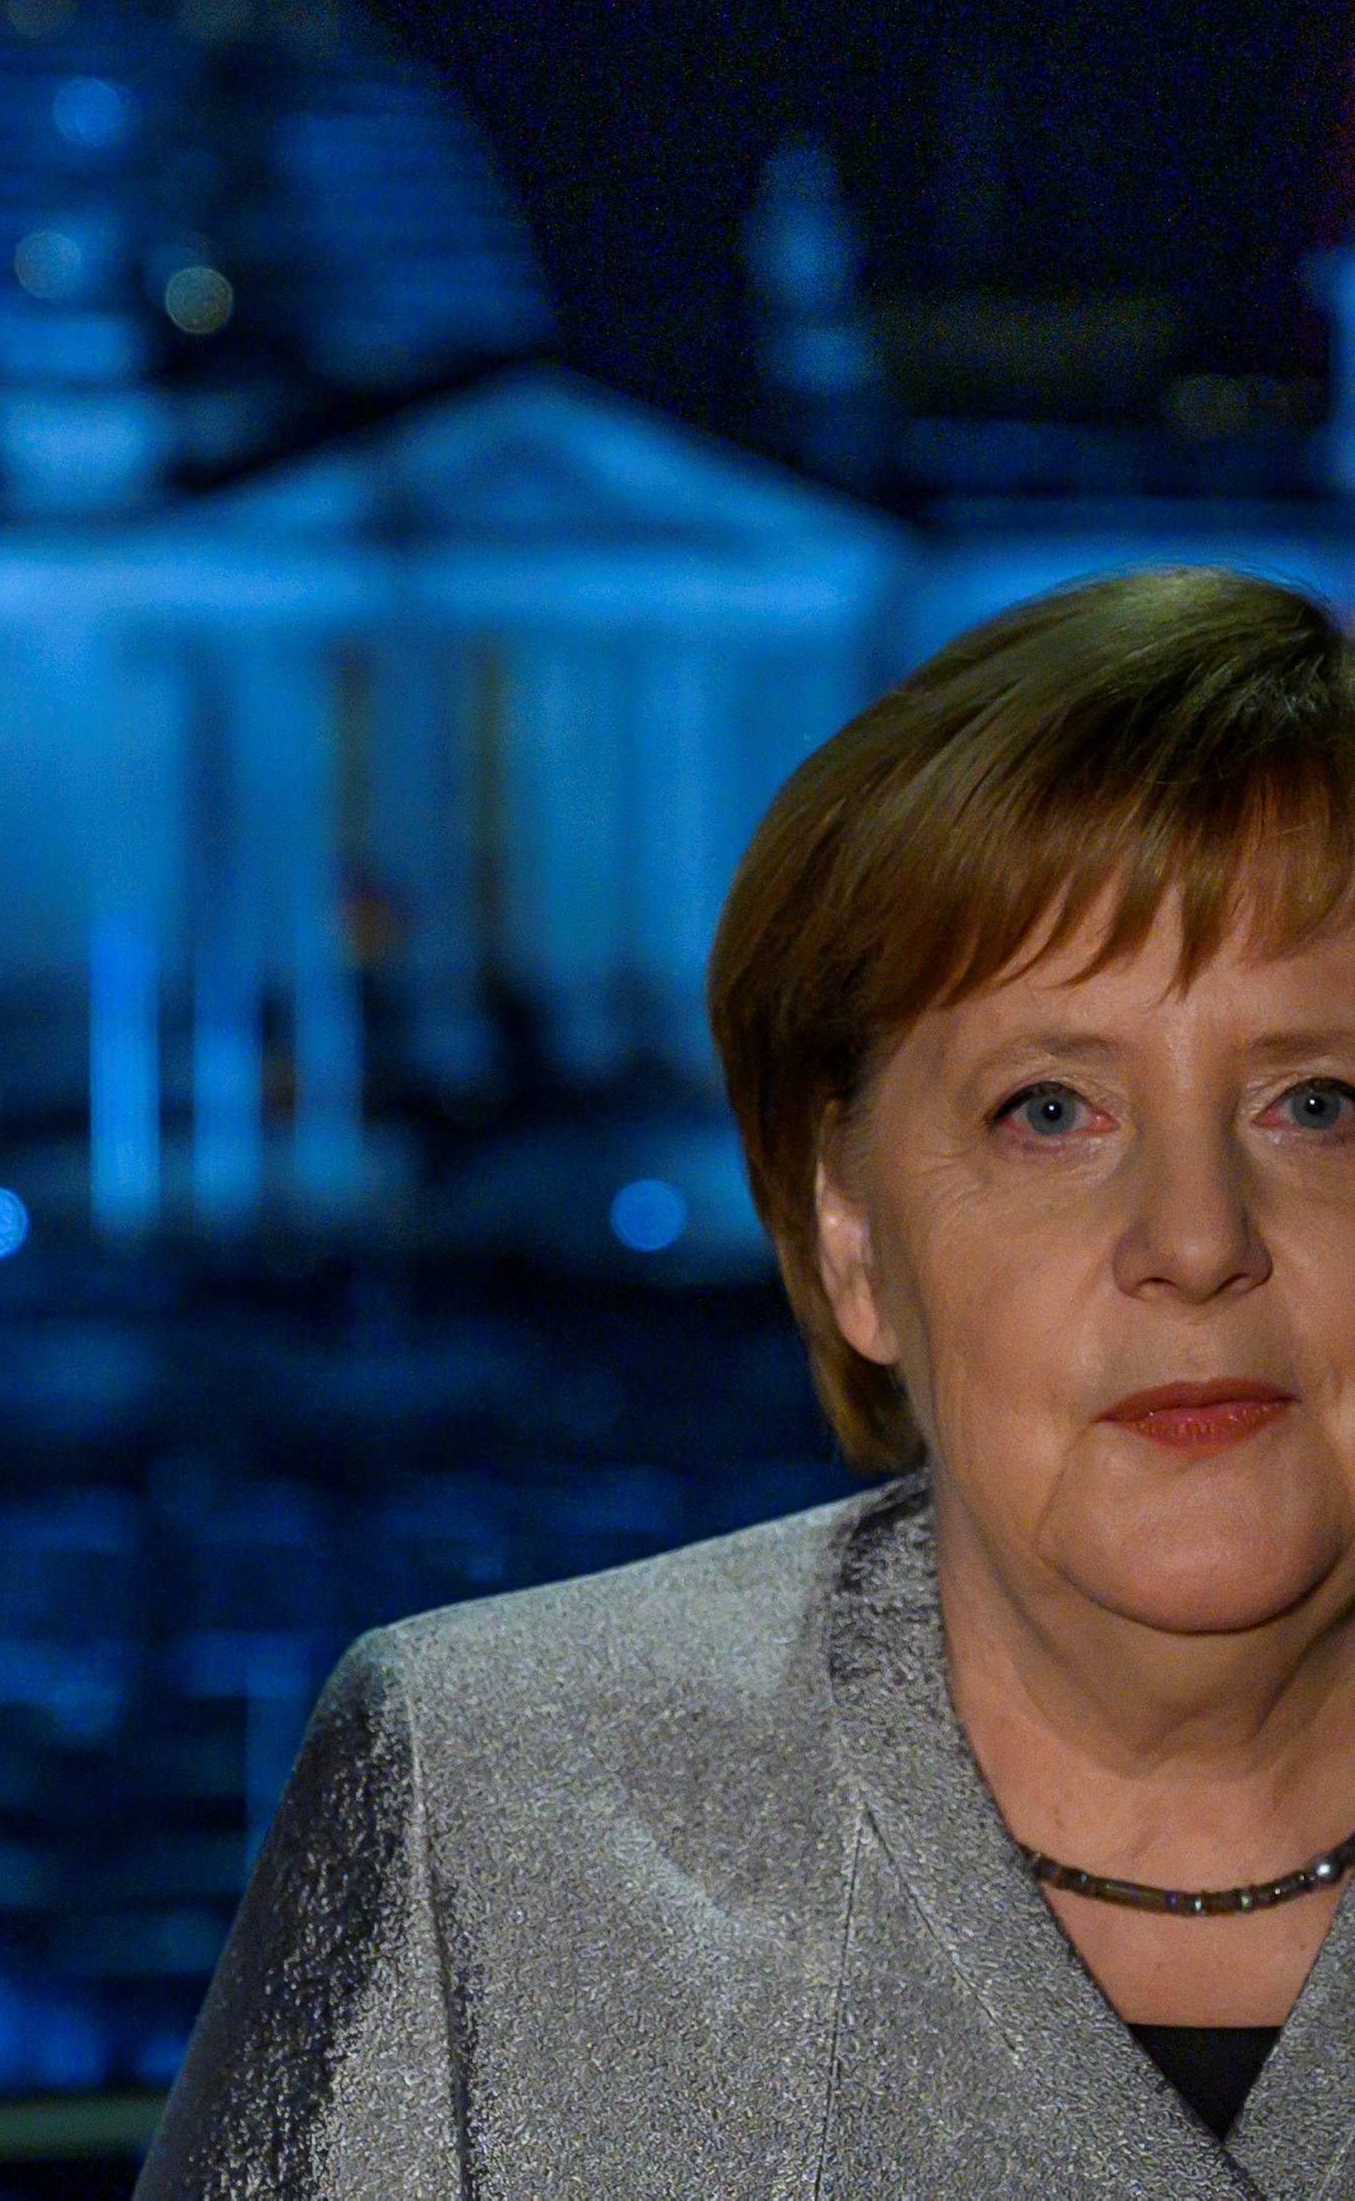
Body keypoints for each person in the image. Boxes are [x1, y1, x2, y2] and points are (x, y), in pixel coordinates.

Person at [134, 566, 1355, 2197]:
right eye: (1051, 1110)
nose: (1197, 1241)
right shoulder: (490, 1805)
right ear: (853, 1236)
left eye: (1322, 1104)